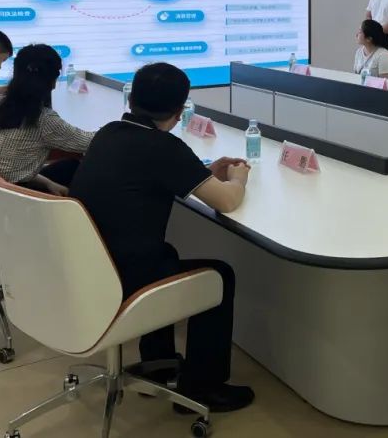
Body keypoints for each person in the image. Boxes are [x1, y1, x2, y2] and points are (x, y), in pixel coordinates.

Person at [68, 62, 255, 412]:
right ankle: (203, 388)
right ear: (180, 110)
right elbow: (228, 201)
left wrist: (203, 173)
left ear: (132, 99)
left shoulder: (109, 133)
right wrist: (238, 178)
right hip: (124, 276)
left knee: (163, 254)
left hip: (89, 263)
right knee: (219, 274)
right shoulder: (163, 146)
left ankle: (158, 366)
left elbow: (149, 175)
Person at [0, 44, 93, 195]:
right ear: (52, 81)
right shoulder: (44, 120)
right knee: (72, 167)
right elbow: (88, 143)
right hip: (11, 197)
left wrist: (48, 183)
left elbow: (7, 168)